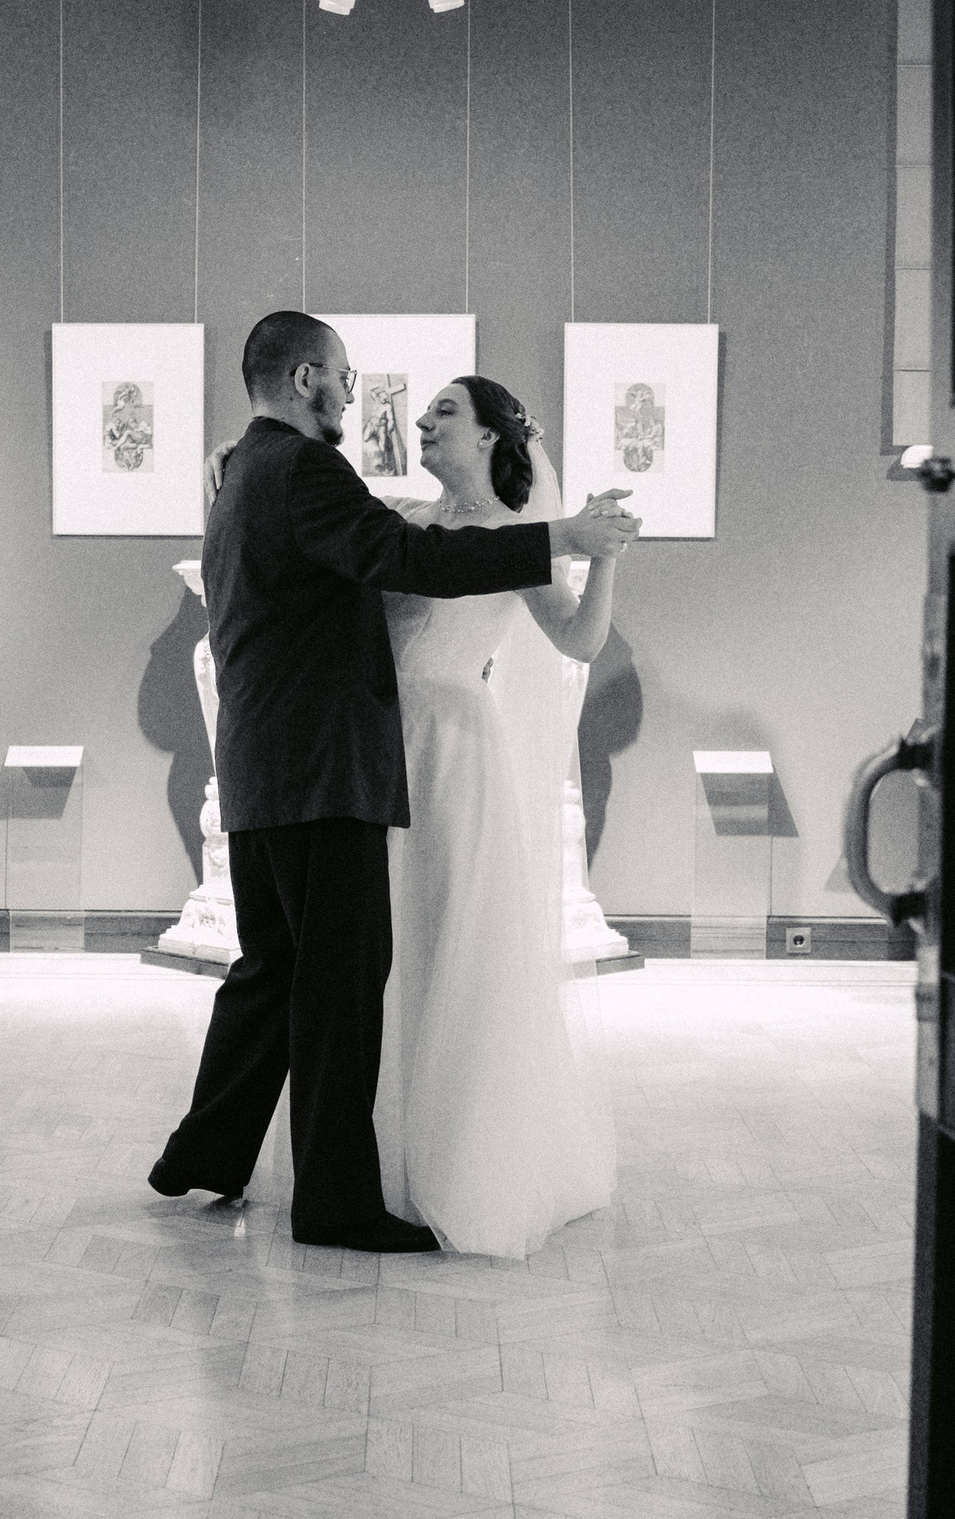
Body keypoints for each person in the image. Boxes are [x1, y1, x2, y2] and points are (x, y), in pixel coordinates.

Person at [148, 311, 639, 1254]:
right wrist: (561, 534)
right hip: (332, 766)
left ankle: (203, 1153)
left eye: (443, 411)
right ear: (305, 379)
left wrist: (578, 547)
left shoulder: (255, 469)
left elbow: (559, 626)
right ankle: (334, 1203)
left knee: (278, 970)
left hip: (313, 760)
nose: (369, 399)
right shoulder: (311, 475)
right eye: (343, 375)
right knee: (334, 981)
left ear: (491, 438)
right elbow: (412, 559)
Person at [367, 373, 621, 1257]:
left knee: (450, 938)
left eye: (445, 411)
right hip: (379, 741)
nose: (424, 420)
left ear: (486, 437)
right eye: (426, 410)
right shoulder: (401, 516)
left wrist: (606, 560)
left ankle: (462, 1161)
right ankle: (378, 1155)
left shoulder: (519, 538)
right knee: (385, 942)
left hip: (451, 748)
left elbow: (578, 640)